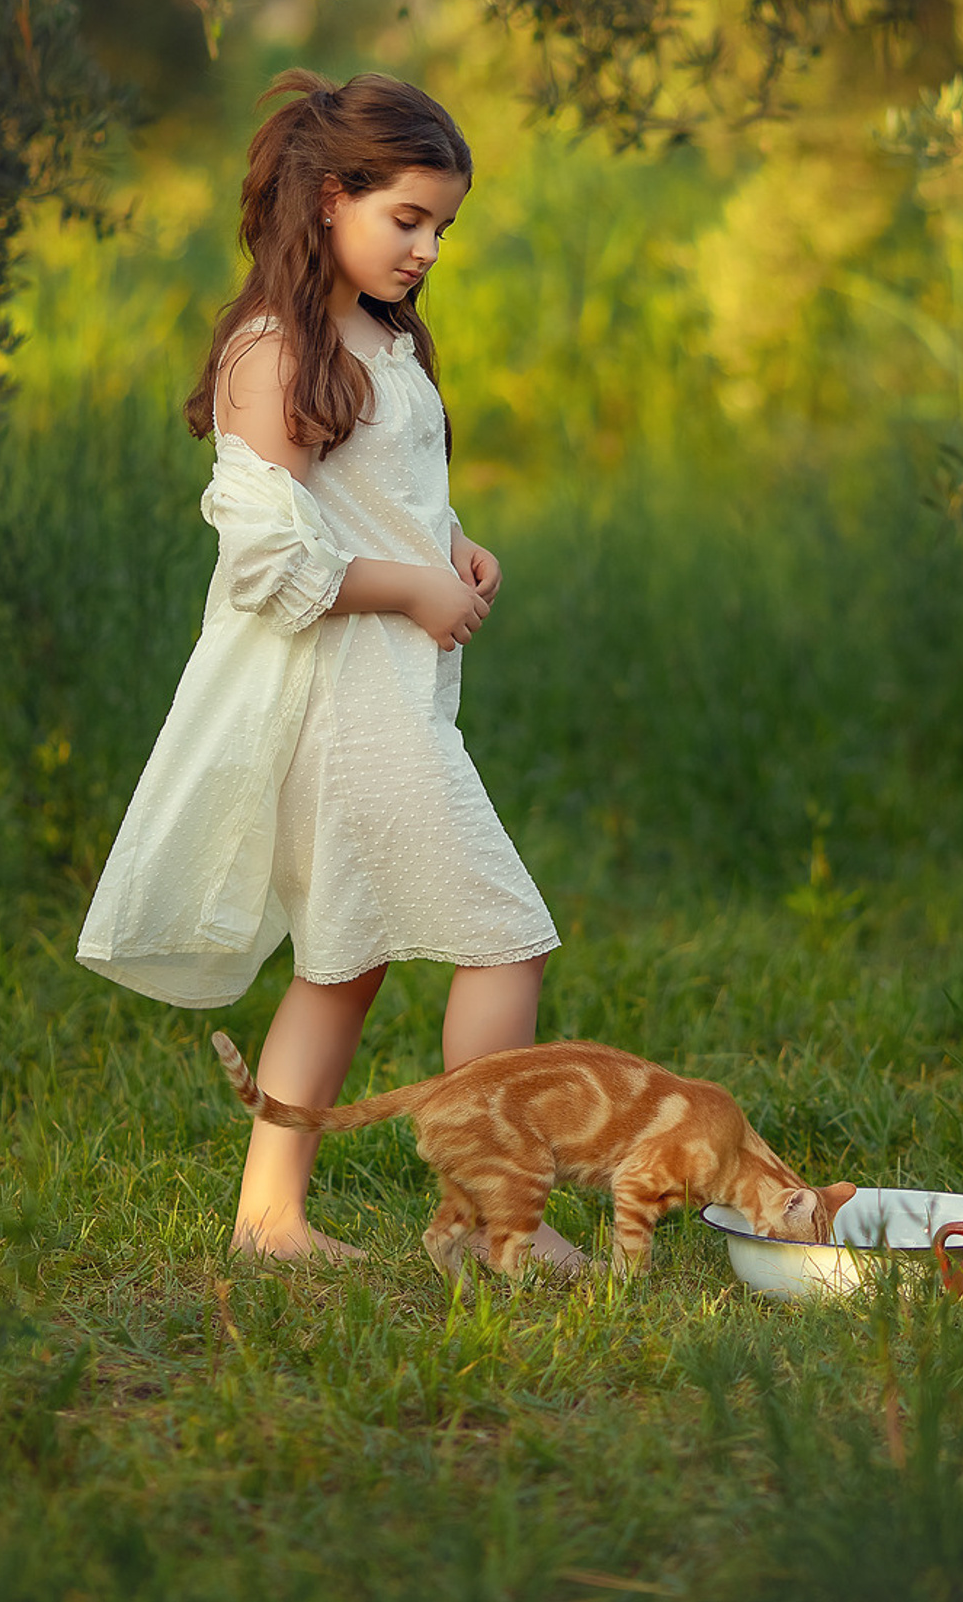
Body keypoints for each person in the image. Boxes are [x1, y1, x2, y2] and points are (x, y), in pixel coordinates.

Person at [77, 70, 580, 1268]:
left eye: (442, 226)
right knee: (508, 937)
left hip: (392, 697)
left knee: (342, 966)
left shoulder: (386, 337)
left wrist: (448, 545)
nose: (427, 250)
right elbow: (271, 559)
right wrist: (409, 588)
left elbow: (380, 499)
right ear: (325, 198)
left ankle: (269, 1221)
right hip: (341, 709)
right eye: (406, 218)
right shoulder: (276, 347)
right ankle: (487, 1220)